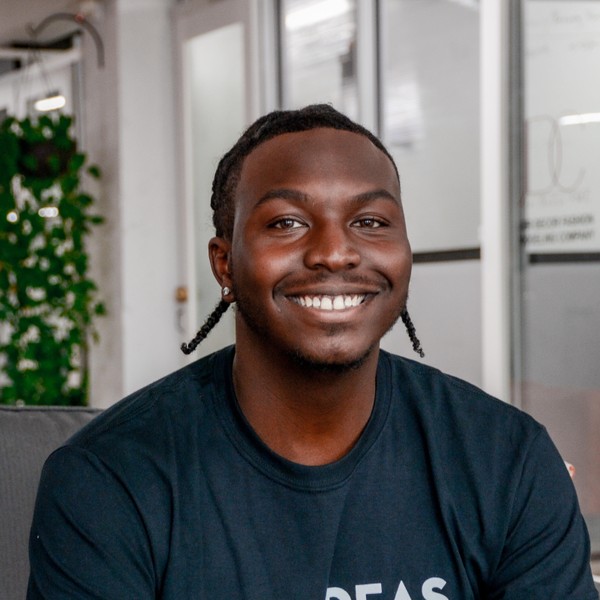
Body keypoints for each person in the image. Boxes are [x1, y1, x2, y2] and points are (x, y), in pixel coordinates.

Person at [28, 105, 597, 599]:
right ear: (224, 264)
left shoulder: (507, 461)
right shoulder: (110, 480)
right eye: (287, 222)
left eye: (370, 221)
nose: (334, 252)